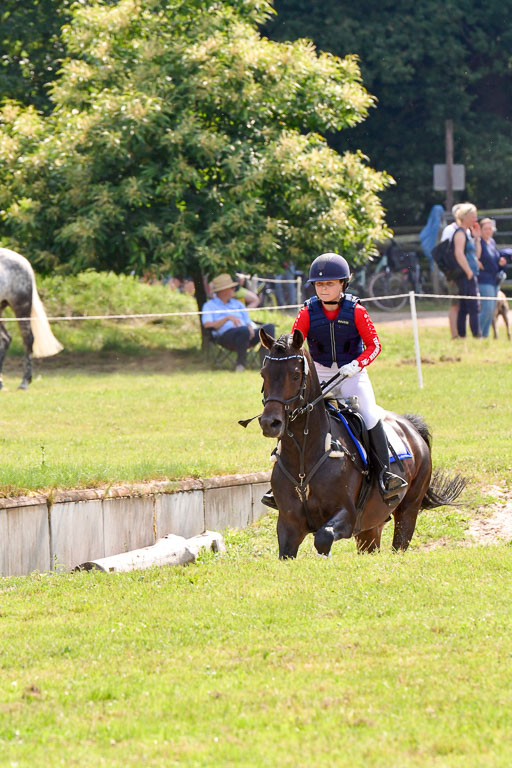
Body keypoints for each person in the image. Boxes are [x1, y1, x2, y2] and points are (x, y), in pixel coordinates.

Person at [262, 252, 407, 508]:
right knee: (291, 411)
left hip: (352, 372)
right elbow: (296, 341)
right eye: (319, 284)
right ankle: (280, 481)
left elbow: (374, 346)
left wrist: (357, 364)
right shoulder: (307, 311)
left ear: (343, 284)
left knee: (370, 415)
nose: (324, 289)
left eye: (329, 284)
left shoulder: (357, 311)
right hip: (320, 373)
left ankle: (386, 474)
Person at [202, 273, 275, 372]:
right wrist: (226, 318)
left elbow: (247, 320)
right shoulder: (209, 306)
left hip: (247, 333)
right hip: (225, 336)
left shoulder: (238, 304)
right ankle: (240, 365)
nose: (234, 289)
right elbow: (207, 324)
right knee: (243, 330)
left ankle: (267, 364)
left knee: (269, 327)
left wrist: (249, 326)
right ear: (224, 291)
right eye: (232, 288)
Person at [452, 203, 482, 338]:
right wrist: (468, 271)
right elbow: (459, 253)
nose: (475, 220)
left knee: (465, 307)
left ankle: (464, 335)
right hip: (466, 276)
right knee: (472, 307)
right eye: (473, 216)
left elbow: (477, 255)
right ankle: (476, 335)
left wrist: (477, 238)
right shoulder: (460, 233)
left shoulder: (468, 233)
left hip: (470, 274)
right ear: (466, 217)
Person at [477, 218, 508, 338]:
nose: (489, 231)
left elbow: (494, 258)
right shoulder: (479, 242)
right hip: (484, 280)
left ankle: (485, 335)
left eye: (490, 229)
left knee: (492, 311)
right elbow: (476, 257)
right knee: (487, 308)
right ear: (480, 229)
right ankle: (477, 333)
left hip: (494, 280)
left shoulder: (492, 242)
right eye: (486, 229)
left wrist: (501, 261)